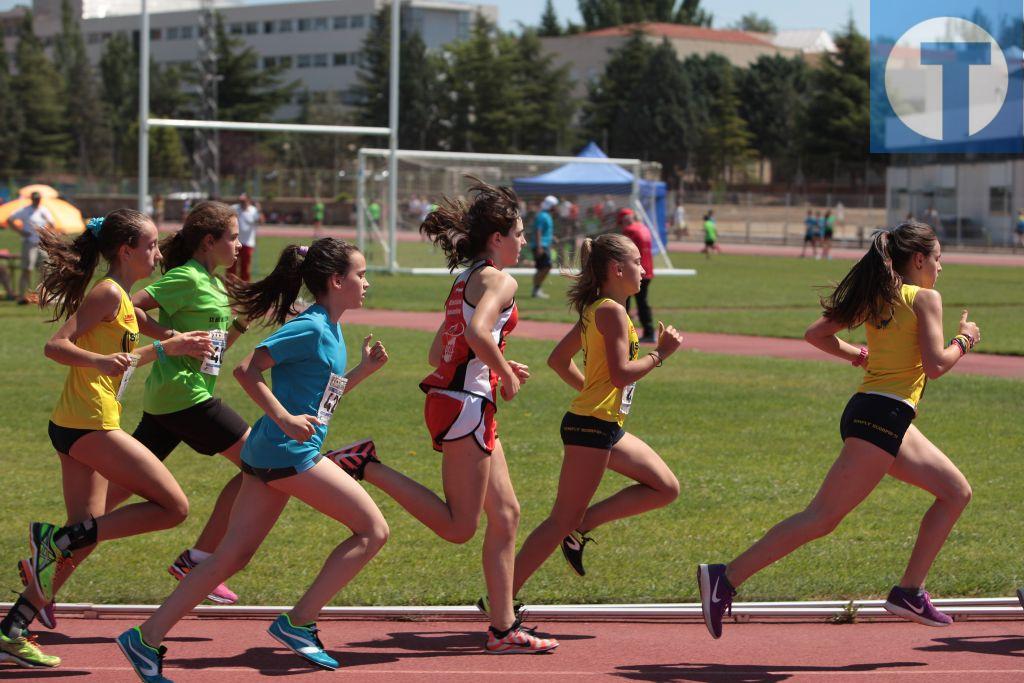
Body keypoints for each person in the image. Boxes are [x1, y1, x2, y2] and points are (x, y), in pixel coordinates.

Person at [117, 238, 391, 679]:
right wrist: (283, 418)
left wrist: (361, 372)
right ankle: (298, 623)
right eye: (360, 275)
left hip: (272, 452)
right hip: (288, 454)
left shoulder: (332, 329)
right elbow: (247, 369)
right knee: (372, 530)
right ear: (337, 281)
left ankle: (145, 637)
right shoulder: (311, 327)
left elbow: (322, 402)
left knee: (230, 556)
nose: (366, 282)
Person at [698, 221, 979, 639]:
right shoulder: (925, 299)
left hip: (879, 414)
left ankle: (909, 591)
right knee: (822, 517)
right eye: (938, 259)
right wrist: (965, 339)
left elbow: (817, 335)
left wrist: (857, 355)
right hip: (881, 417)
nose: (941, 268)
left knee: (956, 492)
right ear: (919, 260)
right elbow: (936, 365)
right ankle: (725, 577)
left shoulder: (878, 297)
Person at [325, 178, 558, 654]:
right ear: (496, 238)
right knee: (459, 527)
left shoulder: (465, 279)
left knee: (508, 514)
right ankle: (365, 463)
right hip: (465, 409)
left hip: (463, 402)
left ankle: (503, 627)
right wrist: (505, 377)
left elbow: (440, 351)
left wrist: (492, 365)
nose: (524, 242)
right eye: (518, 233)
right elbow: (476, 330)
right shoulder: (499, 278)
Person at [0, 210, 211, 669]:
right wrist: (117, 359)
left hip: (78, 422)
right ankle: (52, 540)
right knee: (174, 507)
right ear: (126, 250)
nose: (158, 254)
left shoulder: (120, 298)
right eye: (152, 246)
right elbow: (56, 345)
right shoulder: (107, 292)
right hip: (89, 424)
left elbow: (131, 329)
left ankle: (13, 627)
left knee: (86, 535)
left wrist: (170, 338)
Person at [512, 233, 682, 596]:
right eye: (637, 262)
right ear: (617, 269)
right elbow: (621, 374)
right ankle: (499, 598)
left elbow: (558, 361)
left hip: (603, 425)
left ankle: (579, 526)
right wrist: (660, 354)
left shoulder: (599, 309)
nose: (644, 269)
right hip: (591, 428)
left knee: (665, 487)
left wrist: (593, 392)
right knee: (559, 520)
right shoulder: (610, 311)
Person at [8, 191, 55, 304]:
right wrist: (21, 231)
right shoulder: (25, 210)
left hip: (42, 244)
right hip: (29, 243)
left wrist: (47, 233)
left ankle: (41, 296)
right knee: (27, 269)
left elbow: (52, 223)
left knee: (45, 269)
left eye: (38, 198)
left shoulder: (43, 210)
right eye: (35, 198)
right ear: (32, 199)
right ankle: (22, 296)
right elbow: (10, 220)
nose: (37, 200)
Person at [619, 208, 656, 343]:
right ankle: (649, 331)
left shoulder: (629, 231)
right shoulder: (644, 228)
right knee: (642, 302)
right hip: (647, 270)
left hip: (632, 272)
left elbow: (623, 252)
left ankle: (623, 332)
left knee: (623, 302)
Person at [229, 194, 261, 281]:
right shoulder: (234, 208)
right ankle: (230, 285)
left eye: (243, 201)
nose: (241, 203)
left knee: (245, 267)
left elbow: (260, 221)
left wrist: (259, 211)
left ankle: (244, 286)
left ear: (248, 201)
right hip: (234, 241)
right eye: (240, 201)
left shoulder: (253, 210)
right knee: (231, 265)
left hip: (248, 243)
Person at [532, 195, 557, 298]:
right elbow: (538, 231)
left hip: (543, 244)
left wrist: (552, 237)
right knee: (547, 266)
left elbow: (545, 231)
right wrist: (539, 247)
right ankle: (536, 289)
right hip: (541, 245)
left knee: (542, 267)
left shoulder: (545, 215)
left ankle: (536, 289)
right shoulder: (543, 216)